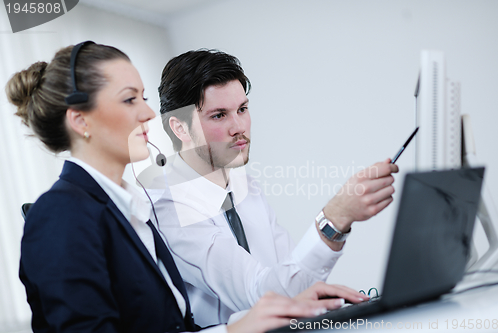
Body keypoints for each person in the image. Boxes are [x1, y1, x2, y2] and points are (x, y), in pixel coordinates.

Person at [7, 42, 368, 333]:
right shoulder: (62, 215)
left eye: (144, 98)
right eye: (130, 99)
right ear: (80, 121)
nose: (149, 114)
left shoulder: (131, 210)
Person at [152, 49, 399, 326]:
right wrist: (335, 219)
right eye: (219, 115)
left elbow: (293, 283)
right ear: (180, 128)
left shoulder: (244, 184)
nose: (239, 127)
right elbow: (261, 299)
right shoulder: (168, 207)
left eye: (242, 110)